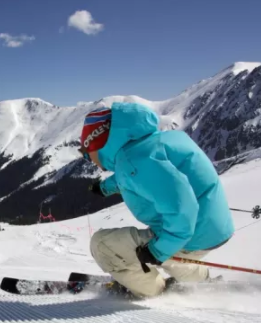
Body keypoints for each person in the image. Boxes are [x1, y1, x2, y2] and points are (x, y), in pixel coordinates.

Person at [80, 103, 234, 298]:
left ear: (97, 142)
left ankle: (151, 290)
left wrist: (157, 251)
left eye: (86, 154)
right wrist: (104, 188)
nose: (89, 159)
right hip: (213, 228)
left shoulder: (135, 160)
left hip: (191, 232)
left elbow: (181, 207)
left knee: (102, 245)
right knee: (169, 243)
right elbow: (140, 175)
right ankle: (199, 280)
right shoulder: (156, 142)